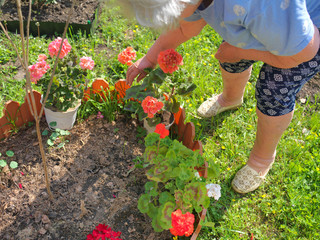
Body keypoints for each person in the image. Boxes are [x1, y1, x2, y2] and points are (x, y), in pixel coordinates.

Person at [123, 0, 320, 194]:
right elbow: (184, 29)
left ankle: (262, 159)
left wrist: (239, 50)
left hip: (304, 39)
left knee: (274, 88)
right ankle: (231, 99)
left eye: (169, 14)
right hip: (267, 21)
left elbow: (303, 52)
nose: (170, 20)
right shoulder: (193, 3)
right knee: (231, 57)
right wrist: (150, 58)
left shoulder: (259, 5)